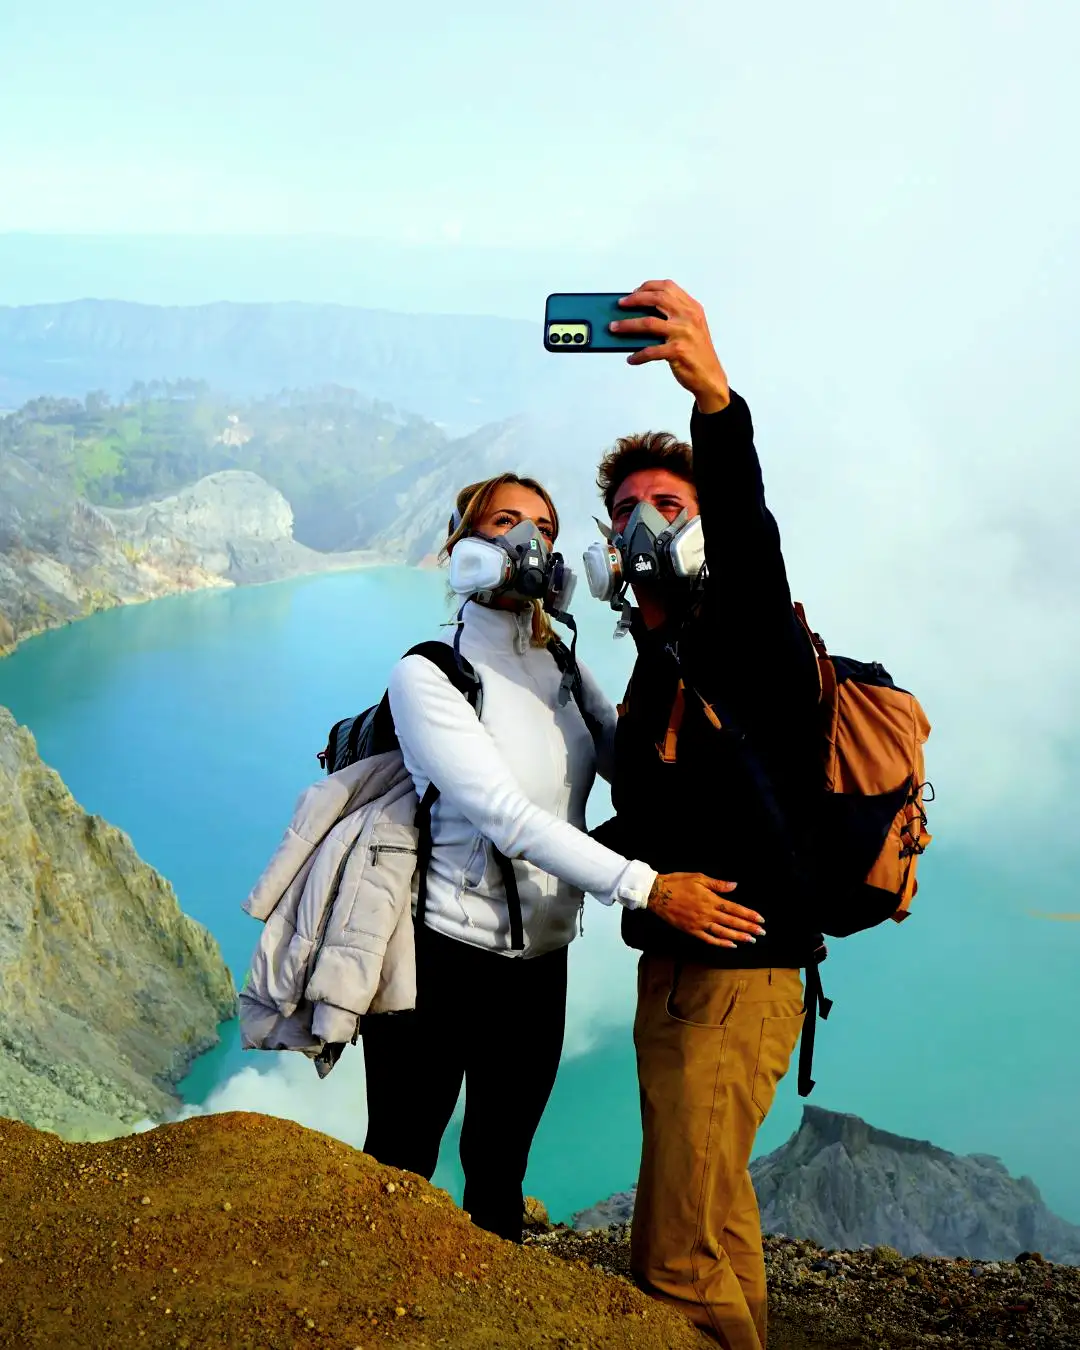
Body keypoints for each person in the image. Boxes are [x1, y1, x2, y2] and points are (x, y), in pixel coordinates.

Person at [360, 470, 764, 1244]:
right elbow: (505, 818)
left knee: (500, 1168)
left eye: (541, 526)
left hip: (540, 965)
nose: (528, 540)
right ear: (463, 545)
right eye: (505, 521)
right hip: (437, 960)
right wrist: (648, 887)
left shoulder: (562, 668)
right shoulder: (428, 673)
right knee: (399, 1162)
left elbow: (637, 767)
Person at [587, 280, 826, 1349]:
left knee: (672, 1258)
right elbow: (662, 820)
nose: (646, 522)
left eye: (670, 506)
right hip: (691, 972)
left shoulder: (744, 634)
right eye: (629, 508)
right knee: (714, 1215)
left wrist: (713, 402)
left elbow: (752, 536)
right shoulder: (662, 663)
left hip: (732, 978)